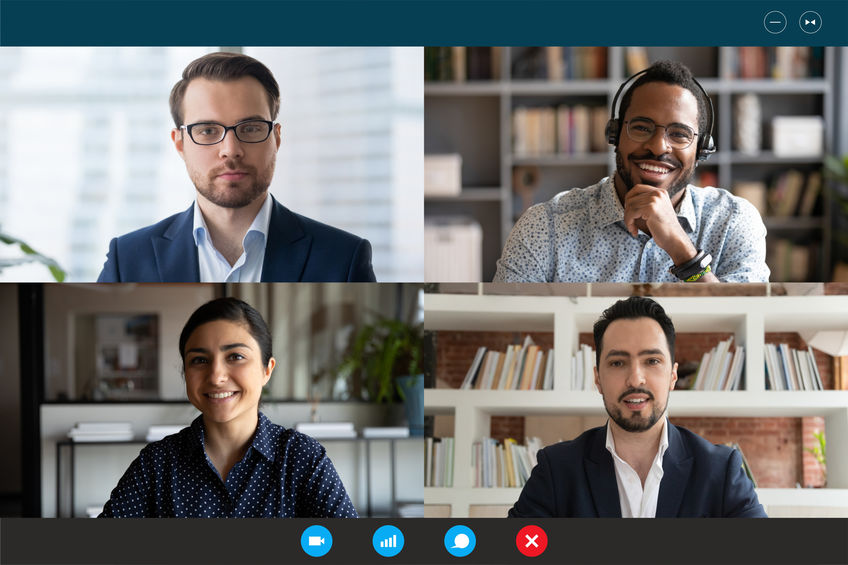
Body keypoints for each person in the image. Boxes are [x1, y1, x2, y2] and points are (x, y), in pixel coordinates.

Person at [97, 52, 376, 282]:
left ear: (276, 137)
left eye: (251, 128)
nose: (231, 150)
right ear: (180, 143)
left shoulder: (344, 258)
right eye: (207, 130)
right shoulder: (128, 258)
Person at [494, 60, 769, 283]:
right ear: (615, 135)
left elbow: (747, 330)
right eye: (641, 127)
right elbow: (505, 334)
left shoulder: (734, 222)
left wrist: (681, 250)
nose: (658, 146)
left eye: (679, 134)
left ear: (701, 150)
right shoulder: (545, 227)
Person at [508, 296, 766, 518]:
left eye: (652, 361)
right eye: (618, 363)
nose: (635, 379)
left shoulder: (721, 470)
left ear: (672, 377)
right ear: (598, 378)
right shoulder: (556, 469)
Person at [100, 297, 358, 517]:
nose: (216, 376)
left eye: (235, 357)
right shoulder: (157, 464)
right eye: (199, 360)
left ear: (266, 370)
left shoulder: (302, 458)